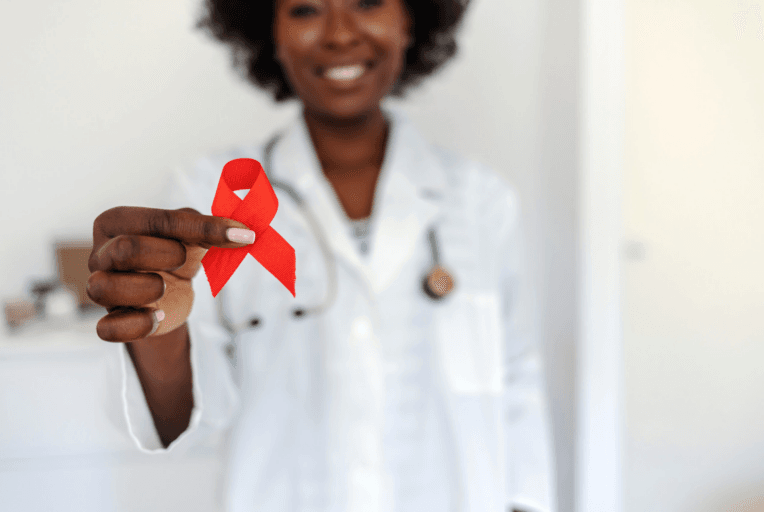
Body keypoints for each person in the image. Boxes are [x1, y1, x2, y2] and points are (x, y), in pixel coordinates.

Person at [87, 0, 557, 510]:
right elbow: (187, 422)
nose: (338, 33)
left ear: (411, 19)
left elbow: (517, 387)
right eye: (306, 9)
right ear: (270, 30)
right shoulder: (219, 198)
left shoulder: (481, 201)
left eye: (368, 2)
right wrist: (157, 327)